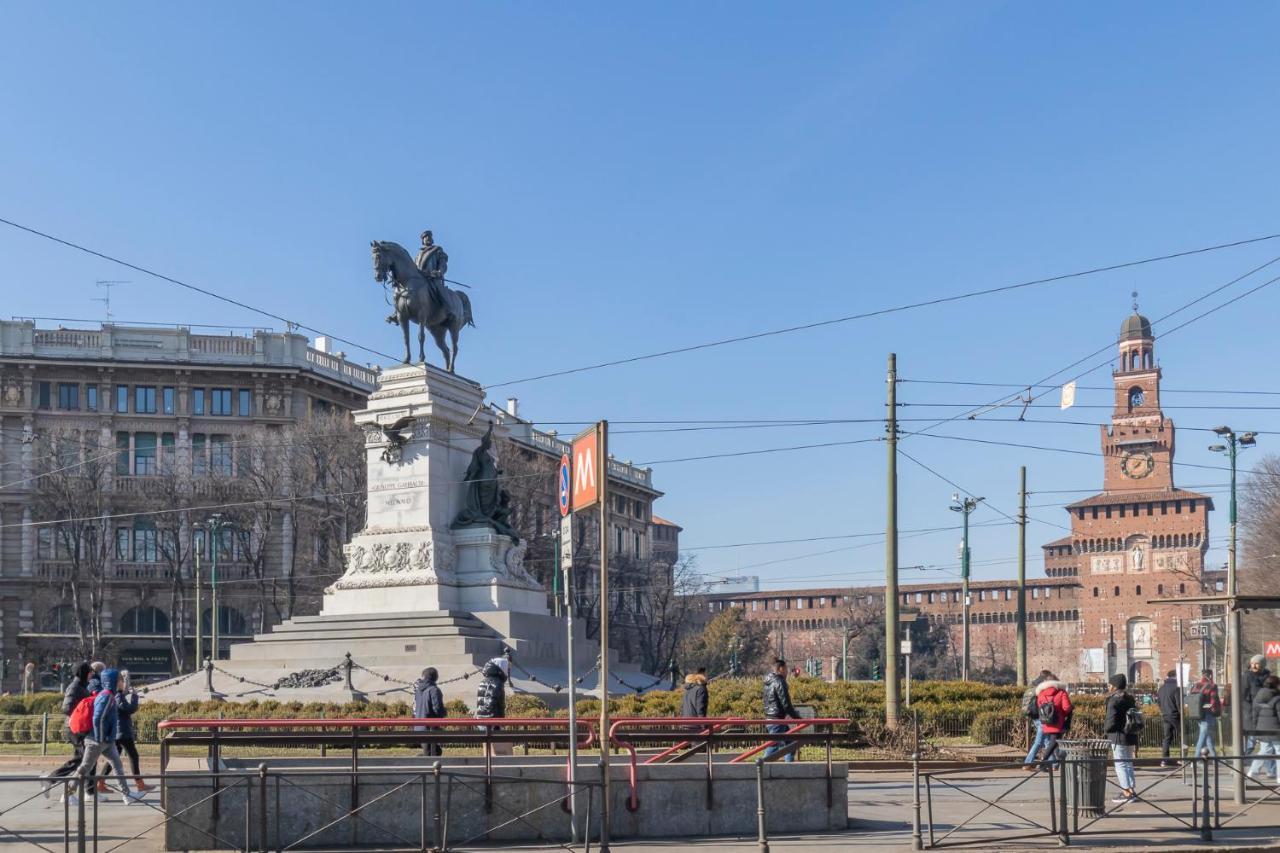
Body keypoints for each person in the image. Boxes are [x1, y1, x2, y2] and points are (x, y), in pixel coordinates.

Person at [69, 669, 141, 806]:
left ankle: (127, 795)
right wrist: (101, 737)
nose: (122, 682)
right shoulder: (106, 696)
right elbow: (98, 718)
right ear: (114, 682)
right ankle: (68, 793)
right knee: (85, 767)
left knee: (117, 765)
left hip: (106, 740)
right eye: (120, 680)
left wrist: (107, 739)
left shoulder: (110, 695)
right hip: (96, 740)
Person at [42, 662, 94, 799]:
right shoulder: (75, 687)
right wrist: (81, 712)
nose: (92, 674)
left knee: (83, 758)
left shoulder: (82, 686)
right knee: (84, 759)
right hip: (74, 728)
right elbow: (66, 708)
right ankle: (56, 783)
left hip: (80, 727)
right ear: (83, 673)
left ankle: (87, 791)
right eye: (90, 672)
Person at [1022, 674, 1072, 770]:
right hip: (1058, 723)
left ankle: (1052, 763)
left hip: (1045, 721)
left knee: (1051, 742)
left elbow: (1039, 706)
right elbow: (1067, 707)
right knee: (1052, 743)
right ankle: (1043, 762)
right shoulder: (1061, 692)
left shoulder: (1041, 693)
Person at [1104, 673, 1139, 804]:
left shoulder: (1114, 699)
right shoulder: (1130, 698)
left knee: (1120, 764)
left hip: (1118, 735)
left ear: (1114, 686)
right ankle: (1131, 790)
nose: (1108, 686)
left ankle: (1126, 792)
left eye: (1110, 684)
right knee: (1128, 763)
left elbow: (1111, 720)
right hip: (1130, 734)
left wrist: (1106, 730)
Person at [114, 670, 151, 793]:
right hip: (122, 732)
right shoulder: (117, 696)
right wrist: (135, 696)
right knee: (133, 756)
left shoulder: (118, 695)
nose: (127, 685)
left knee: (113, 758)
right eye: (125, 682)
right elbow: (129, 709)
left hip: (119, 731)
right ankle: (139, 784)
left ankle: (100, 782)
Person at [763, 658, 800, 762]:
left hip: (771, 718)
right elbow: (786, 704)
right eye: (786, 669)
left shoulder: (768, 682)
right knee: (773, 747)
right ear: (780, 669)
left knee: (790, 744)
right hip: (777, 720)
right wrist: (798, 718)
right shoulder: (780, 681)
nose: (787, 672)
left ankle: (789, 769)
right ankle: (759, 770)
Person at [1244, 655, 1274, 777]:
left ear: (1263, 664)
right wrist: (1248, 712)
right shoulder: (1247, 676)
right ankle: (1242, 767)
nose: (1254, 666)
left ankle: (1271, 770)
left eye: (1257, 663)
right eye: (1252, 663)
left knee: (1268, 744)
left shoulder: (1268, 677)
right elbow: (1242, 696)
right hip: (1252, 714)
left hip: (1266, 715)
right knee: (1252, 743)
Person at [475, 657, 510, 757]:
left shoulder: (484, 681)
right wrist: (498, 723)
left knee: (488, 749)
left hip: (483, 720)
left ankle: (489, 764)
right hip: (492, 723)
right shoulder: (496, 683)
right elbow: (490, 703)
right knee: (496, 751)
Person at [1247, 675, 1280, 781]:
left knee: (1265, 750)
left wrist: (1255, 727)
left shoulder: (1258, 696)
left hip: (1262, 727)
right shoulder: (1277, 697)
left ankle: (1253, 771)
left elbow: (1254, 713)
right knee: (1278, 751)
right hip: (1276, 728)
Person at [413, 667, 447, 756]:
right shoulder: (434, 690)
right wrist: (444, 712)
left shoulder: (418, 690)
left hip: (418, 727)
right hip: (429, 728)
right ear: (435, 677)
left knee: (435, 752)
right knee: (432, 754)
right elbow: (438, 709)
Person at [1191, 669, 1222, 758]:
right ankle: (1196, 759)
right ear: (1211, 675)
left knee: (1208, 738)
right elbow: (1214, 701)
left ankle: (1215, 757)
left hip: (1198, 714)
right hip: (1208, 714)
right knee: (1203, 737)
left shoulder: (1196, 685)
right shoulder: (1212, 686)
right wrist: (1216, 712)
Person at [1156, 670, 1183, 767]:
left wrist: (1163, 711)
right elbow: (1178, 703)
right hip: (1175, 715)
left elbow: (1158, 702)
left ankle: (1165, 760)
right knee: (1183, 736)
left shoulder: (1161, 688)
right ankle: (1182, 758)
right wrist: (1182, 713)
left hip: (1165, 715)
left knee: (1167, 738)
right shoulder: (1176, 687)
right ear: (1175, 676)